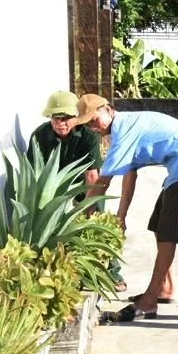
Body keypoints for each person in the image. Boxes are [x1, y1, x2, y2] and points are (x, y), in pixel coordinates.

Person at [75, 94, 178, 321]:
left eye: (94, 119)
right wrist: (121, 215)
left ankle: (149, 301)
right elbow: (130, 174)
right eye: (87, 124)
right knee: (159, 227)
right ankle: (164, 288)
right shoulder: (123, 129)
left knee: (168, 234)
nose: (93, 127)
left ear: (108, 109)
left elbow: (103, 181)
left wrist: (81, 218)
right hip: (177, 169)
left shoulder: (124, 129)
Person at [26, 91, 126, 293]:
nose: (60, 124)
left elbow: (92, 175)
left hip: (83, 185)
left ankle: (113, 272)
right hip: (51, 188)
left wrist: (87, 207)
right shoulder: (40, 135)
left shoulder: (88, 136)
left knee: (96, 221)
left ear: (76, 118)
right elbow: (33, 173)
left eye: (65, 119)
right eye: (56, 119)